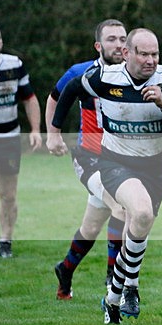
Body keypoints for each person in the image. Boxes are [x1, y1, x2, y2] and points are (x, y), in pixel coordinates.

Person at [50, 28, 162, 324]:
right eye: (144, 54)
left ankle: (115, 295)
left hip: (155, 168)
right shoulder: (105, 77)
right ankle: (128, 287)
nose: (151, 60)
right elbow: (68, 91)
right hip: (115, 164)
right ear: (128, 54)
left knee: (135, 226)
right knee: (137, 213)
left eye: (155, 54)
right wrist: (54, 131)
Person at [45, 18, 128, 300]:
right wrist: (52, 134)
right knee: (121, 206)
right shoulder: (81, 72)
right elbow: (55, 97)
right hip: (89, 157)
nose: (119, 44)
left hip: (122, 160)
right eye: (112, 39)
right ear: (98, 45)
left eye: (123, 39)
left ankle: (65, 269)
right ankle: (113, 279)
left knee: (91, 227)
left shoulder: (135, 75)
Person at [0, 22, 43, 258]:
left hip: (9, 139)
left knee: (8, 194)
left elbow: (30, 99)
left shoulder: (14, 65)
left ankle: (5, 242)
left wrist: (35, 129)